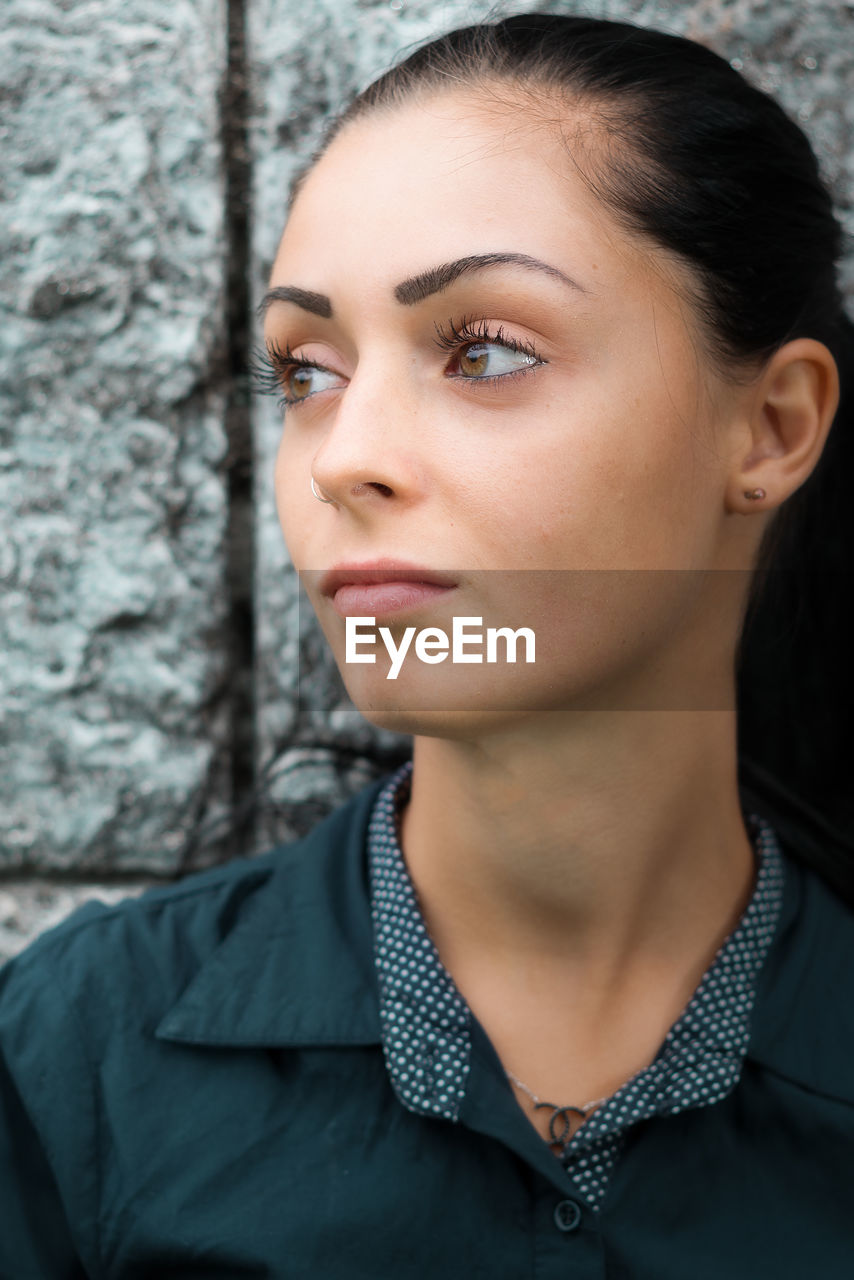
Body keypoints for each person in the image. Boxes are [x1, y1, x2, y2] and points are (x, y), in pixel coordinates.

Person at [2, 10, 853, 1276]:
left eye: (484, 351)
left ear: (769, 428)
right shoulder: (74, 1057)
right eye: (305, 371)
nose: (343, 459)